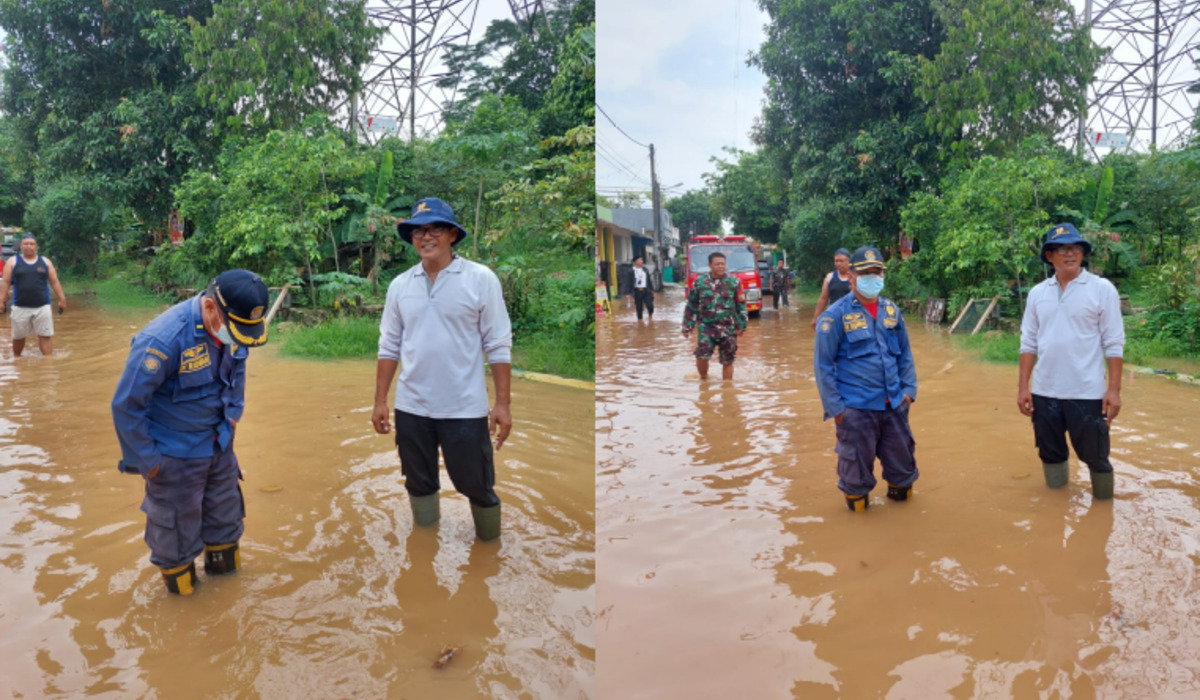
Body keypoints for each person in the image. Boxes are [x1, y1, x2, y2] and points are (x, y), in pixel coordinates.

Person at [111, 269, 270, 596]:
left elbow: (238, 368)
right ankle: (185, 618)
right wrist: (151, 463)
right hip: (175, 457)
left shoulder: (233, 328)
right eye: (234, 329)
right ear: (211, 308)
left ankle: (226, 604)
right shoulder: (163, 340)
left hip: (219, 446)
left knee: (225, 526)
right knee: (176, 543)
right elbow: (126, 405)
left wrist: (234, 416)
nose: (238, 337)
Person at [372, 197, 513, 542]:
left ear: (452, 234)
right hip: (411, 407)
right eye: (418, 231)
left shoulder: (480, 279)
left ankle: (489, 552)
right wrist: (380, 401)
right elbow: (389, 346)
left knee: (476, 483)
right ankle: (423, 547)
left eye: (434, 228)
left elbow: (497, 343)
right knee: (418, 483)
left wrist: (502, 405)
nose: (425, 237)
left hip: (464, 407)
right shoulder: (400, 286)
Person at [1018, 223, 1124, 499]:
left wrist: (1113, 390)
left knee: (1097, 456)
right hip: (1044, 393)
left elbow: (1113, 342)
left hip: (1087, 393)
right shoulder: (1037, 294)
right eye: (1062, 248)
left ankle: (1103, 513)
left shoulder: (1102, 289)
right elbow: (1028, 342)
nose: (1070, 253)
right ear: (1049, 255)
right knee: (1050, 454)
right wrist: (1023, 387)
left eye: (1076, 248)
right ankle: (1056, 508)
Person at [814, 245, 918, 511]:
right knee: (855, 481)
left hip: (894, 405)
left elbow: (905, 354)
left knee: (903, 474)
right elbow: (823, 366)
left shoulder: (892, 311)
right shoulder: (834, 316)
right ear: (851, 277)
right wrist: (837, 409)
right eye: (866, 273)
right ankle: (861, 540)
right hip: (856, 410)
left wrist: (908, 392)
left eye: (877, 272)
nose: (873, 278)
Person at [682, 251, 747, 381]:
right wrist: (687, 326)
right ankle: (704, 380)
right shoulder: (699, 282)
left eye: (723, 264)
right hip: (706, 327)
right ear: (710, 265)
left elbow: (741, 305)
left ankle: (727, 388)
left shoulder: (734, 282)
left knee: (728, 360)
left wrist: (742, 325)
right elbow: (692, 305)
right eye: (717, 264)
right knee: (701, 356)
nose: (720, 266)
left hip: (728, 327)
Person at [0, 233, 67, 356]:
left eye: (32, 244)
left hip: (43, 306)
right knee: (18, 337)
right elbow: (5, 282)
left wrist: (62, 299)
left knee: (45, 336)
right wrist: (1, 301)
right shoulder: (12, 262)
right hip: (20, 306)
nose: (29, 246)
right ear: (21, 246)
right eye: (26, 244)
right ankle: (17, 361)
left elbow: (54, 282)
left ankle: (47, 364)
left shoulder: (45, 262)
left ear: (36, 246)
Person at [811, 248, 852, 328]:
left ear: (849, 261)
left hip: (852, 317)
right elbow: (823, 299)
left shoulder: (856, 277)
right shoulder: (830, 277)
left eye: (841, 261)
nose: (838, 263)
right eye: (836, 261)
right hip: (834, 317)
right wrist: (816, 318)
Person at [632, 256, 654, 320]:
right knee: (639, 307)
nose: (642, 261)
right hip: (637, 291)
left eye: (642, 260)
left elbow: (649, 280)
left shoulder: (645, 269)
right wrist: (628, 292)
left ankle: (650, 315)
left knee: (650, 305)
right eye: (640, 260)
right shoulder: (631, 270)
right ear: (636, 262)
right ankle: (640, 320)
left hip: (647, 290)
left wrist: (652, 289)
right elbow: (628, 282)